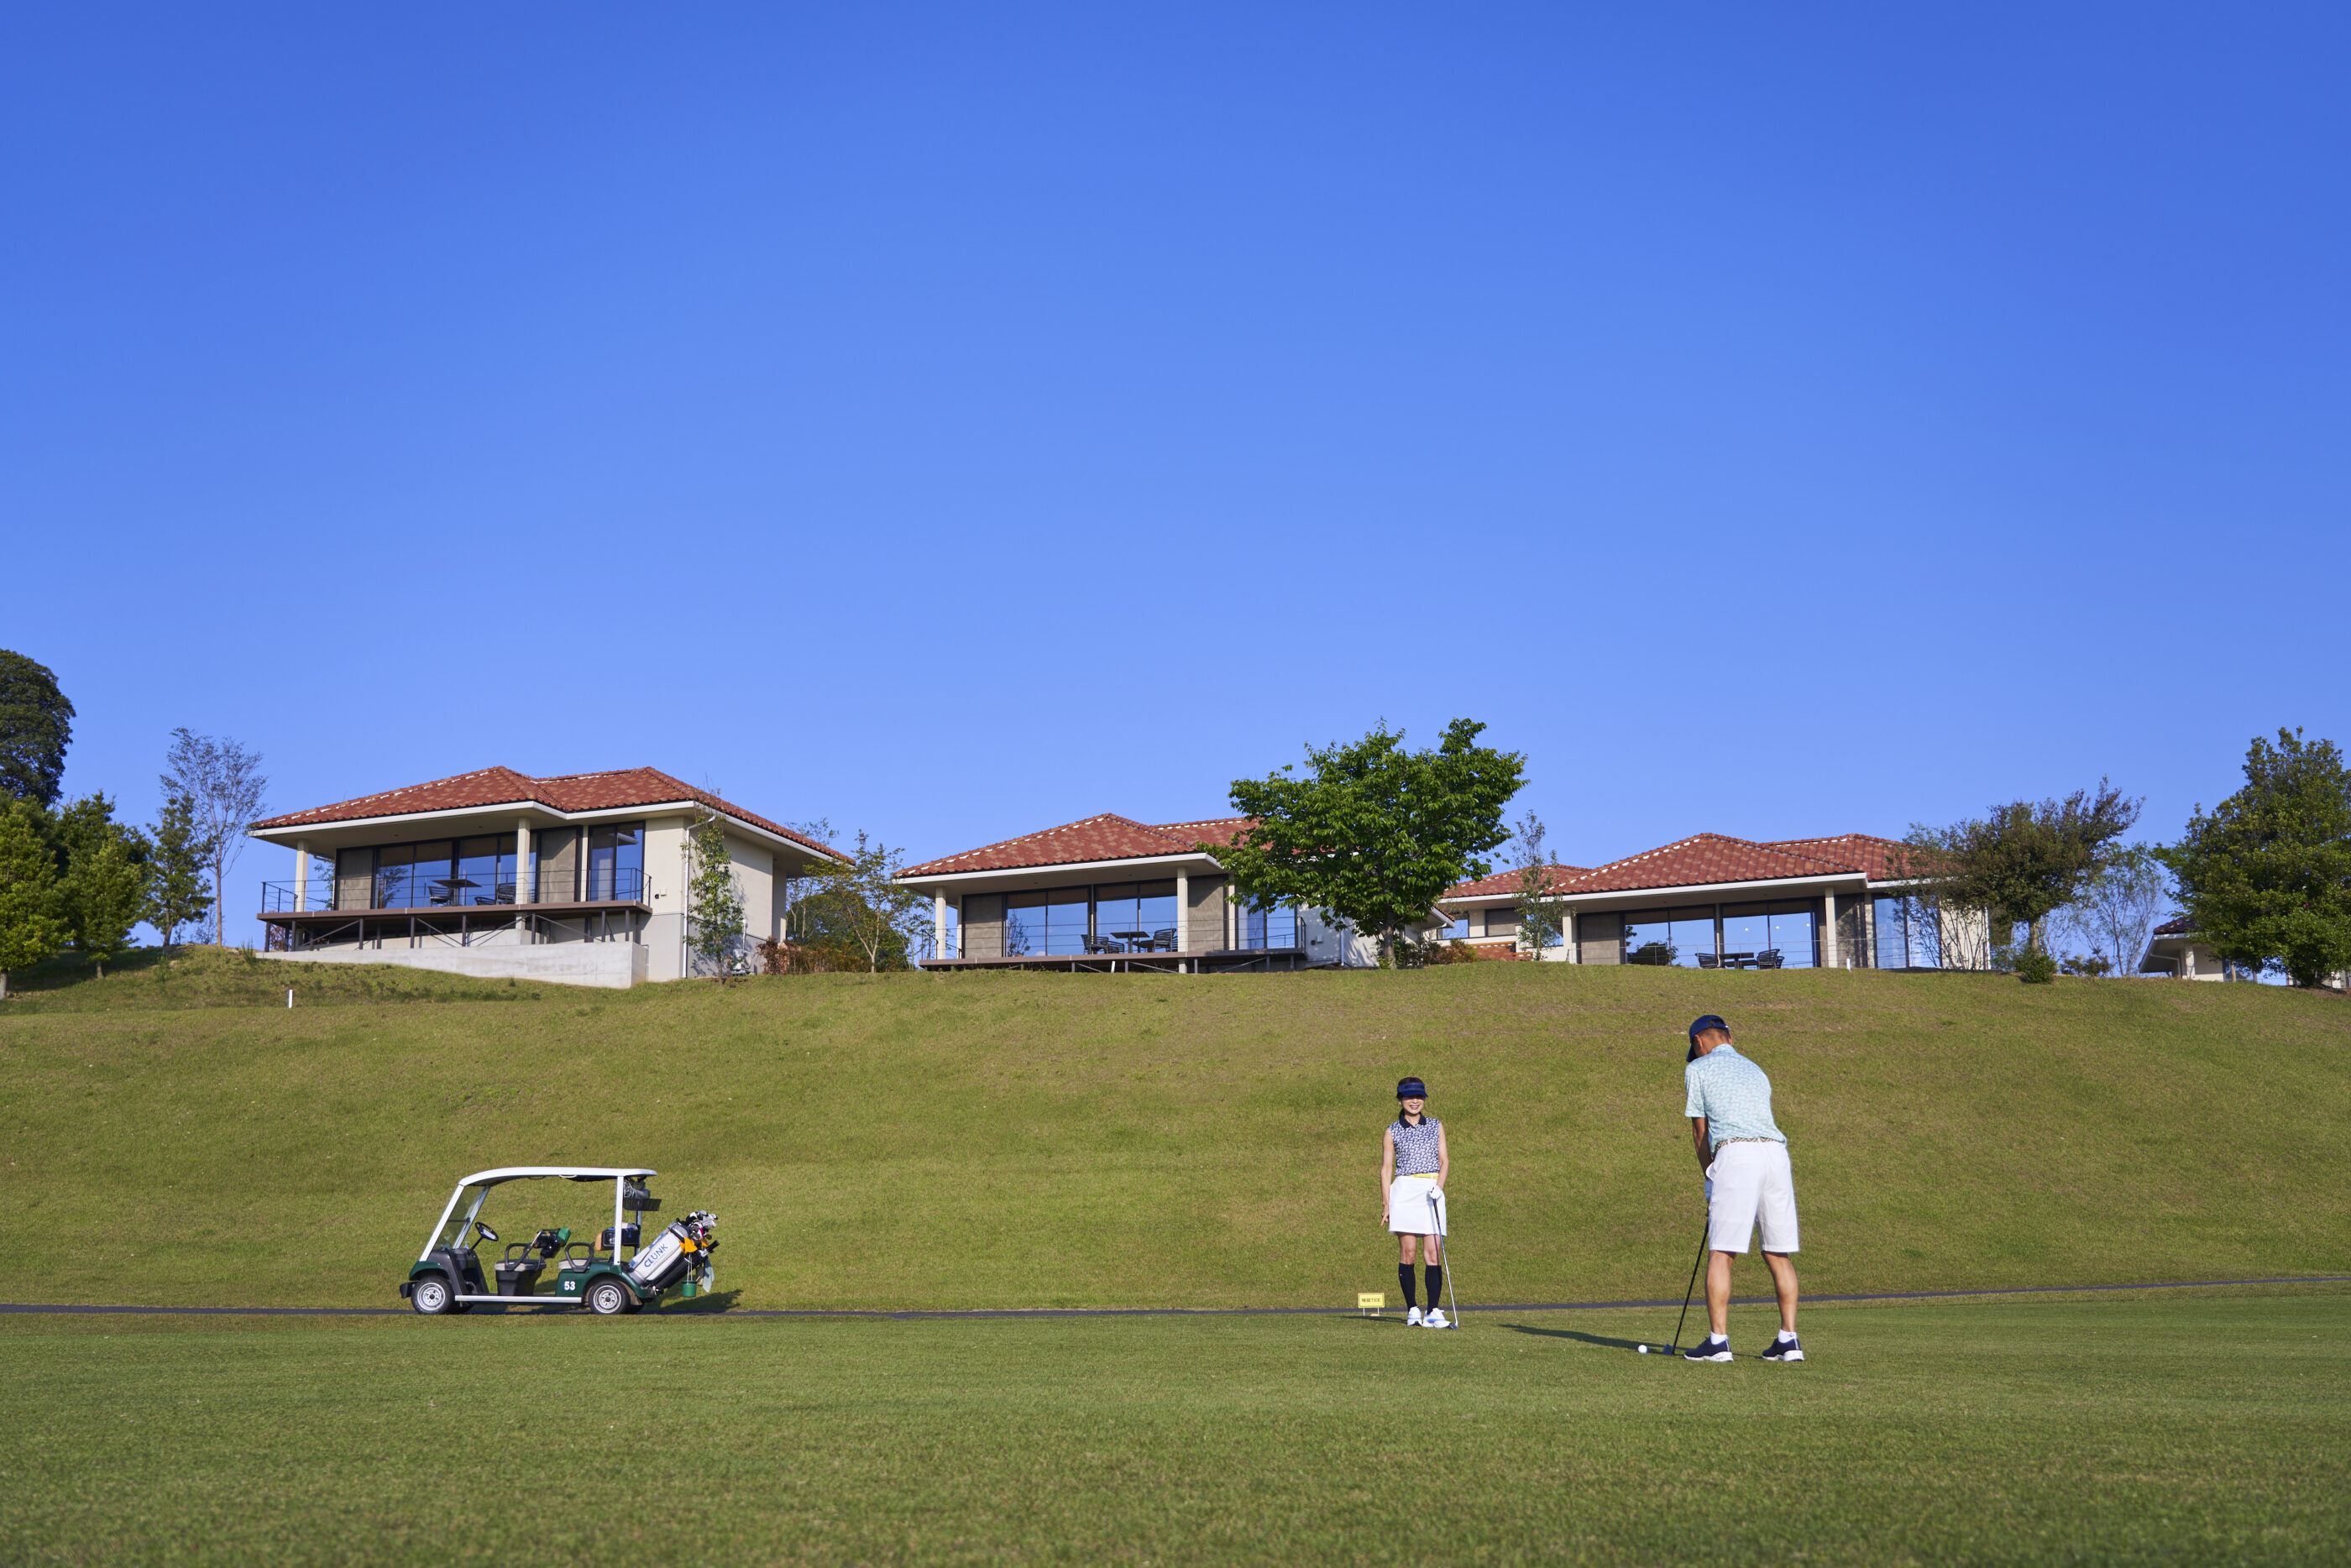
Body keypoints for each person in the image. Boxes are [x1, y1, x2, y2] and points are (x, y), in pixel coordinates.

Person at [1681, 1014, 1803, 1362]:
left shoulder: (1697, 1070)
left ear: (1699, 1043)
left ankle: (1718, 1343)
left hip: (1736, 1153)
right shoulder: (1756, 1069)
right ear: (1730, 1039)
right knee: (1778, 1253)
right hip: (1776, 1155)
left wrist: (1709, 1175)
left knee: (1722, 1251)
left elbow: (1701, 1132)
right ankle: (1789, 1341)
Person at [1380, 1075, 1452, 1328]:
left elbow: (1444, 1161)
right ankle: (1412, 1309)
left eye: (1419, 1096)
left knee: (1433, 1253)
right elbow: (1386, 1169)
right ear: (1400, 1099)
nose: (1414, 1101)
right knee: (1408, 1253)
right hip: (1405, 1190)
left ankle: (1433, 1310)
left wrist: (1439, 1189)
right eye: (1409, 1096)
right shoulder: (1392, 1131)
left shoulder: (1435, 1126)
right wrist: (1386, 1204)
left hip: (1431, 1190)